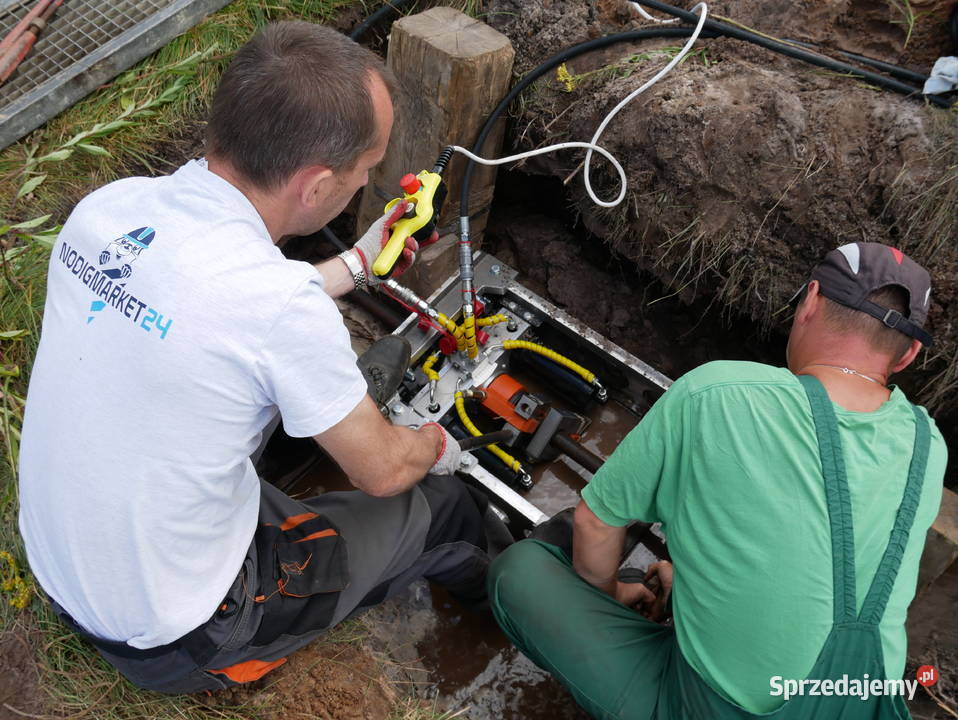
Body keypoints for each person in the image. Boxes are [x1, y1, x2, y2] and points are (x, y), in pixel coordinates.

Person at [18, 21, 491, 694]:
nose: (365, 187)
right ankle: (493, 608)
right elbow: (385, 471)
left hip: (65, 568)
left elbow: (217, 306)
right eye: (364, 173)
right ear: (317, 184)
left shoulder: (110, 211)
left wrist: (358, 264)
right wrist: (435, 444)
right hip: (175, 634)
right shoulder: (279, 312)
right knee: (443, 509)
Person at [488, 242, 948, 719]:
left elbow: (595, 525)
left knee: (518, 573)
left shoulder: (718, 393)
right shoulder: (927, 445)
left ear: (810, 301)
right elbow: (808, 552)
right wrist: (691, 583)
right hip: (859, 704)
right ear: (909, 353)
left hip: (707, 709)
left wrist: (611, 596)